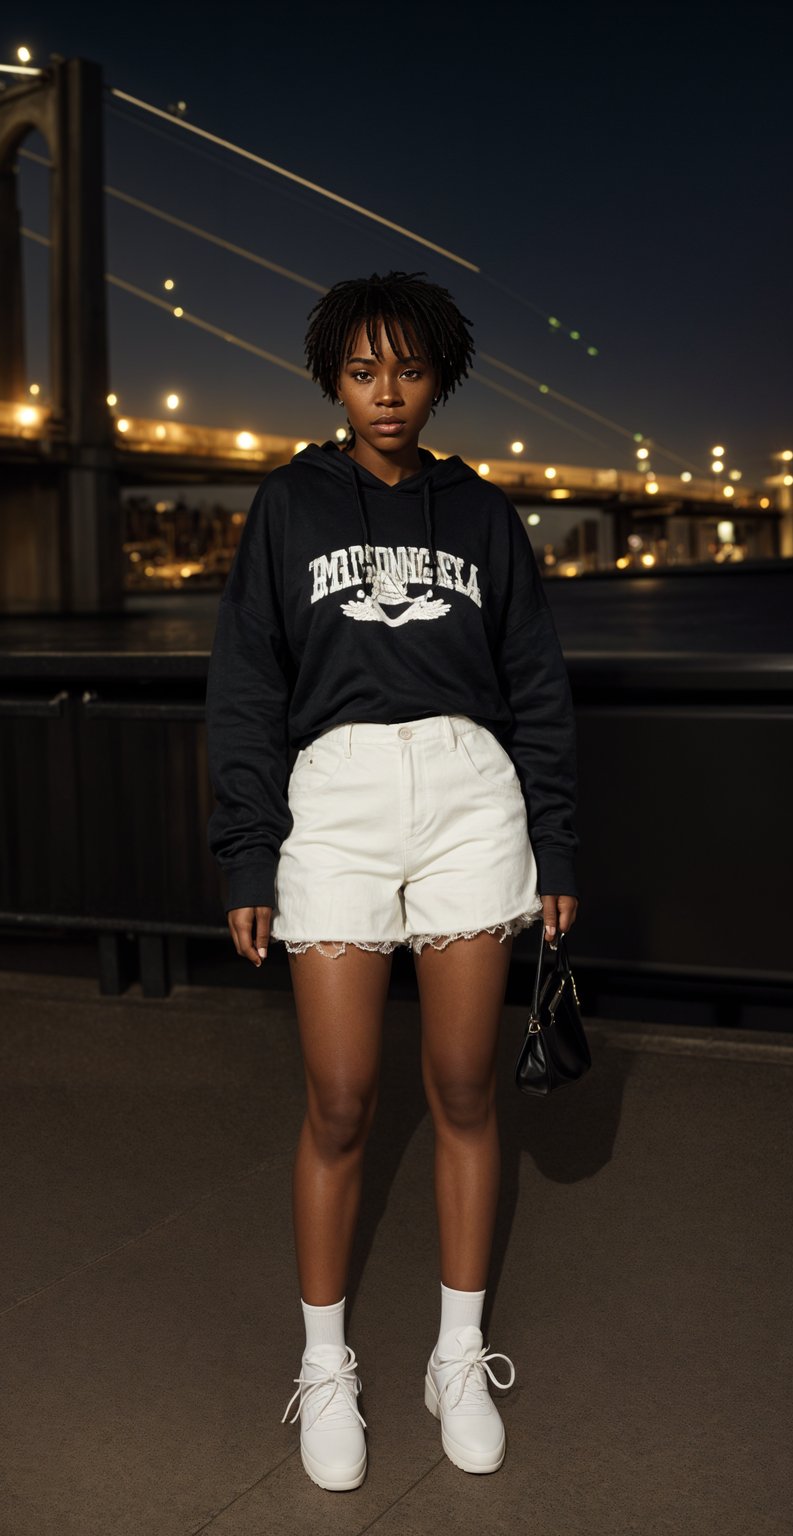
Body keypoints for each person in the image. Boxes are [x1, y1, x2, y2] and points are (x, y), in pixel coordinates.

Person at [205, 269, 579, 1492]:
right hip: (338, 806)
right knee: (343, 1097)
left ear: (439, 377)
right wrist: (246, 851)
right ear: (332, 377)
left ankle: (455, 1355)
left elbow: (536, 686)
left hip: (472, 798)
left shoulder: (480, 513)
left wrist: (557, 848)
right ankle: (325, 1366)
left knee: (466, 1084)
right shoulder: (286, 507)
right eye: (363, 370)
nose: (387, 393)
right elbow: (249, 691)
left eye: (408, 369)